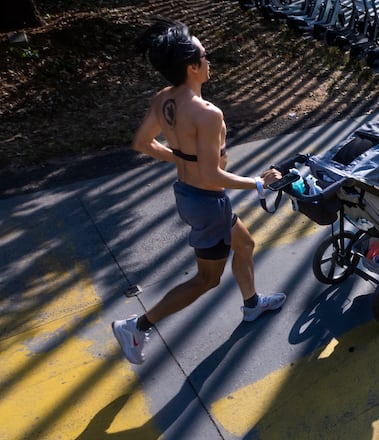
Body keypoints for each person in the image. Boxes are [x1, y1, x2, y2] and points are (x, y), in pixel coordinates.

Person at [112, 17, 286, 365]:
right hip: (208, 202)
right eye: (205, 57)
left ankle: (252, 305)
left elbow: (143, 143)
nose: (209, 62)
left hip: (190, 194)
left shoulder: (165, 99)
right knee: (206, 280)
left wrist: (181, 158)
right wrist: (256, 183)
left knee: (246, 244)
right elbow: (212, 173)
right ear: (192, 67)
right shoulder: (208, 114)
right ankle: (137, 325)